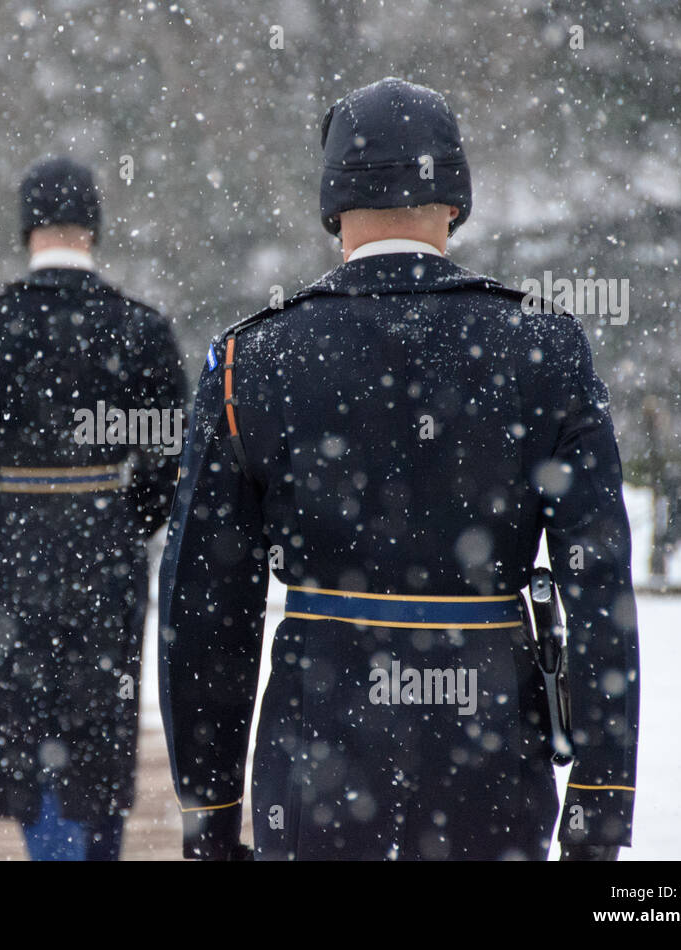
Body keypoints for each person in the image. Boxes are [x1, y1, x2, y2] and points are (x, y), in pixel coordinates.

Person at [158, 78, 640, 861]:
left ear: (333, 208)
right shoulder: (546, 347)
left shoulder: (252, 359)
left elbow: (207, 607)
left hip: (317, 766)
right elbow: (597, 580)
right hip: (493, 760)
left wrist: (208, 811)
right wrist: (599, 804)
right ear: (454, 202)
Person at [0, 156, 186, 860]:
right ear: (93, 228)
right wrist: (120, 516)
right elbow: (170, 460)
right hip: (104, 545)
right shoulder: (141, 329)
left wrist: (10, 463)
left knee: (21, 724)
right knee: (99, 729)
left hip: (17, 544)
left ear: (27, 229)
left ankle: (53, 849)